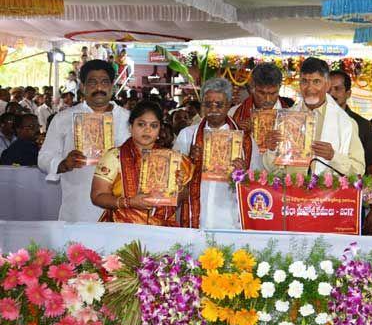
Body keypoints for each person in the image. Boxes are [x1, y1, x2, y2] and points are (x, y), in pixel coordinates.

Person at [38, 60, 130, 222]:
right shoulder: (63, 118)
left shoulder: (129, 119)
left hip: (120, 210)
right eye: (92, 82)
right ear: (82, 87)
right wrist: (63, 163)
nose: (99, 88)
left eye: (104, 82)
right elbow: (44, 158)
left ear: (112, 86)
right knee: (75, 247)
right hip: (78, 209)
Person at [91, 101, 193, 226]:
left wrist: (178, 189)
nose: (147, 130)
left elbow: (185, 194)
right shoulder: (115, 156)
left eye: (154, 125)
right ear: (130, 127)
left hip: (162, 230)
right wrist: (129, 202)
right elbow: (97, 196)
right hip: (122, 229)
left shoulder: (170, 158)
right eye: (141, 124)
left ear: (160, 129)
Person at [262, 57, 365, 176]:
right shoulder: (285, 119)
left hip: (328, 193)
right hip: (291, 192)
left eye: (316, 82)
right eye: (305, 81)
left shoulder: (346, 124)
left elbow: (359, 170)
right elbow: (274, 171)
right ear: (299, 84)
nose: (310, 88)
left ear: (327, 85)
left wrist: (333, 156)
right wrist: (271, 150)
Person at [174, 78, 246, 229]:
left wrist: (243, 172)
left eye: (219, 104)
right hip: (196, 217)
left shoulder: (245, 140)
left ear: (228, 105)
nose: (213, 109)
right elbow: (173, 180)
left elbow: (259, 179)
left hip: (231, 220)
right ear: (202, 106)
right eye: (208, 104)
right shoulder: (187, 135)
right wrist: (189, 161)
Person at [229, 63, 292, 170]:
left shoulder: (292, 114)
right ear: (252, 87)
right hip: (246, 179)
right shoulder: (234, 114)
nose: (267, 99)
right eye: (262, 93)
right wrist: (235, 130)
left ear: (279, 88)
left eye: (272, 93)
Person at [329, 70, 372, 182]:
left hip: (351, 189)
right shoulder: (316, 119)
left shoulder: (361, 124)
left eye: (337, 89)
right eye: (328, 89)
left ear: (348, 93)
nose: (331, 94)